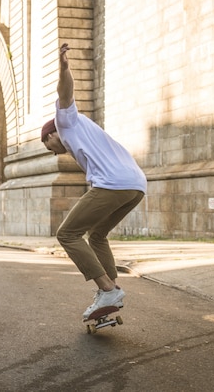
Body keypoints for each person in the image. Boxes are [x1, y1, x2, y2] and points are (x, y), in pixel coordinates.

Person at [41, 43, 147, 321]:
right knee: (97, 235)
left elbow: (65, 93)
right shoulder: (86, 130)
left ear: (50, 134)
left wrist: (64, 68)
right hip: (136, 186)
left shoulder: (65, 122)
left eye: (47, 145)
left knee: (67, 234)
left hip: (113, 185)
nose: (51, 151)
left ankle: (106, 289)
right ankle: (111, 290)